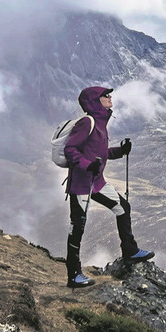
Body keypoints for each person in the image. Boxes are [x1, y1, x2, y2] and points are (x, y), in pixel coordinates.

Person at [64, 86, 154, 288]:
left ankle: (130, 251)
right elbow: (70, 149)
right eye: (105, 95)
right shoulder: (87, 122)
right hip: (81, 184)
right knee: (77, 228)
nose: (109, 97)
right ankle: (74, 274)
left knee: (123, 207)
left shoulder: (100, 123)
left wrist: (120, 151)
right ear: (96, 101)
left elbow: (100, 152)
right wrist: (88, 165)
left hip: (97, 182)